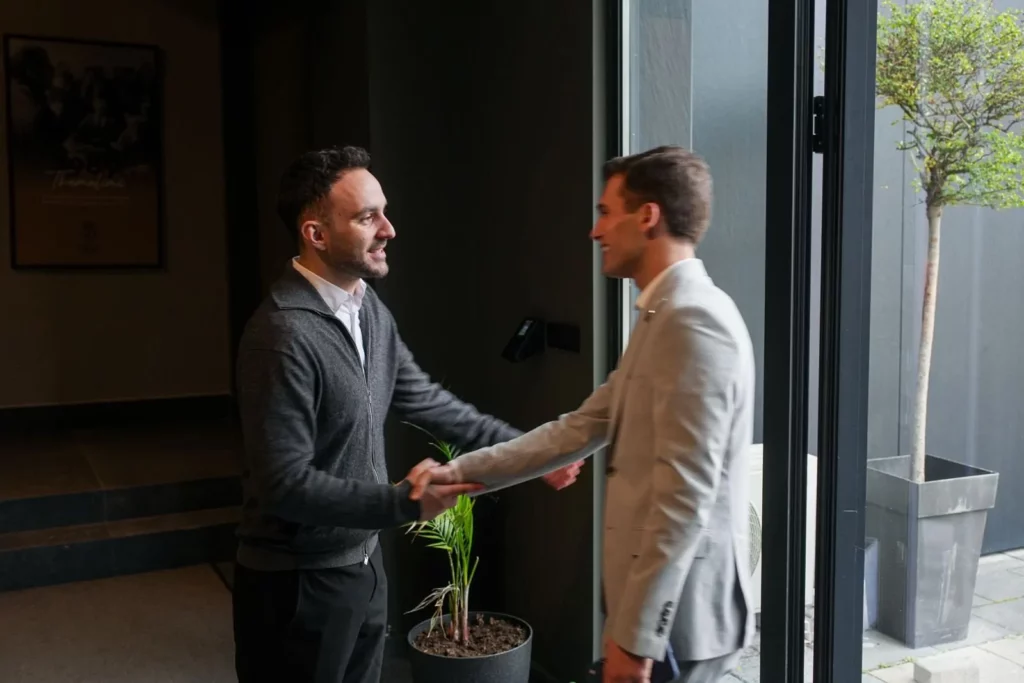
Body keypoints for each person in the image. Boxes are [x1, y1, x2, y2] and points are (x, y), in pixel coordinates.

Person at [231, 145, 582, 683]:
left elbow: (428, 400)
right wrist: (405, 501)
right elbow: (285, 484)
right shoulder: (281, 336)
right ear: (316, 234)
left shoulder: (367, 309)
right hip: (297, 585)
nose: (388, 229)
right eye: (366, 217)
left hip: (364, 564)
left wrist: (532, 453)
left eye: (385, 212)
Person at [412, 146, 756, 683]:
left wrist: (636, 641)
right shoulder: (661, 314)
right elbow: (575, 430)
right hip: (653, 623)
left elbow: (684, 496)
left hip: (678, 627)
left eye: (605, 212)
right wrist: (457, 473)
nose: (595, 232)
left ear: (648, 216)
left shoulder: (694, 321)